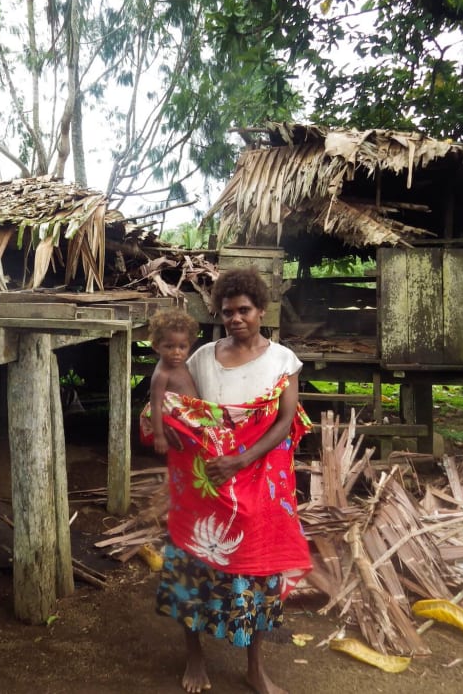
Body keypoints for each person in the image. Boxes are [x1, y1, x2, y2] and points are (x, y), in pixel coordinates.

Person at [154, 267, 311, 694]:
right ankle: (195, 656)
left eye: (244, 310)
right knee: (194, 563)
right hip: (208, 480)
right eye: (227, 312)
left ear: (261, 310)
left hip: (257, 477)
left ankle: (255, 666)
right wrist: (168, 426)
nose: (236, 318)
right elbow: (181, 406)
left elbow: (284, 422)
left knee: (258, 568)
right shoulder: (201, 357)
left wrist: (241, 459)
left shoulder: (282, 360)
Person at [145, 308, 200, 455]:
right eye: (169, 347)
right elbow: (155, 406)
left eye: (182, 347)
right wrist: (159, 436)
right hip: (178, 428)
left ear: (189, 346)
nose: (176, 352)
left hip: (193, 421)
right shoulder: (162, 374)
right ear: (156, 346)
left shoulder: (183, 363)